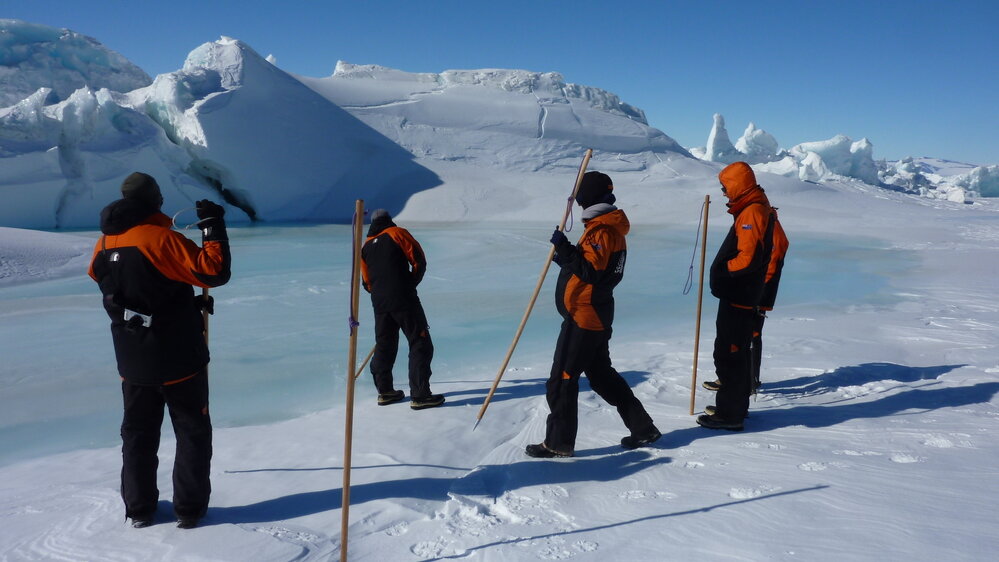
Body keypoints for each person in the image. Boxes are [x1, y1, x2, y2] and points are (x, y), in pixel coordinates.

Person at [88, 172, 231, 529]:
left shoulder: (104, 244)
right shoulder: (161, 238)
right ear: (154, 200)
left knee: (138, 434)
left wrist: (175, 298)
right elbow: (214, 272)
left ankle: (139, 509)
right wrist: (213, 227)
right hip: (179, 357)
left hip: (132, 359)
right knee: (192, 432)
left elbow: (106, 280)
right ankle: (189, 509)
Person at [526, 171, 661, 458]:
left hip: (584, 317)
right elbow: (589, 266)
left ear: (588, 197)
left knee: (562, 378)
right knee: (602, 377)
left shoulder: (602, 230)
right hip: (594, 314)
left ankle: (558, 442)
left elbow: (592, 273)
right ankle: (643, 428)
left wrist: (565, 249)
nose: (576, 202)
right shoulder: (603, 227)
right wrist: (567, 254)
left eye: (580, 196)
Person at [697, 161, 784, 431]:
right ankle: (733, 406)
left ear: (737, 185)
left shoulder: (752, 212)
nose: (724, 193)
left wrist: (723, 270)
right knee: (732, 352)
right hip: (741, 294)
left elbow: (748, 258)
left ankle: (730, 414)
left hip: (740, 295)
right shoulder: (753, 209)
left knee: (730, 354)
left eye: (725, 187)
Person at [360, 209, 444, 410]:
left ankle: (385, 392)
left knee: (384, 344)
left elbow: (366, 282)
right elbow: (418, 259)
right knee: (420, 342)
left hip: (379, 303)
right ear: (389, 219)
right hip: (403, 298)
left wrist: (380, 293)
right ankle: (420, 395)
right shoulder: (397, 233)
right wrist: (409, 283)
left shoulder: (366, 246)